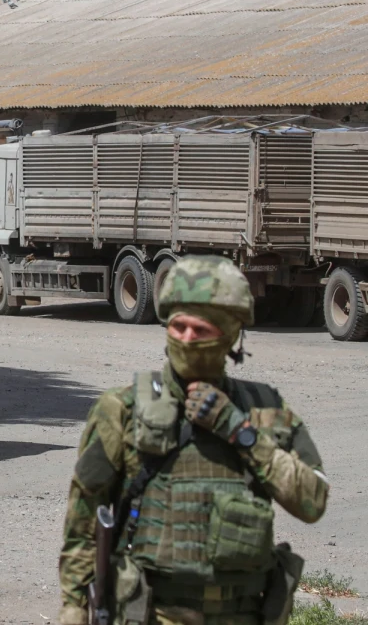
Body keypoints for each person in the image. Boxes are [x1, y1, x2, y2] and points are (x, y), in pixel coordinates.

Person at [58, 256, 328, 625]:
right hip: (152, 614)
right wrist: (73, 606)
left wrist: (239, 431)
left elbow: (312, 501)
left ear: (231, 334)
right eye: (178, 326)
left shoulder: (264, 410)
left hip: (244, 614)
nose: (186, 339)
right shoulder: (122, 408)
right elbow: (84, 520)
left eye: (200, 330)